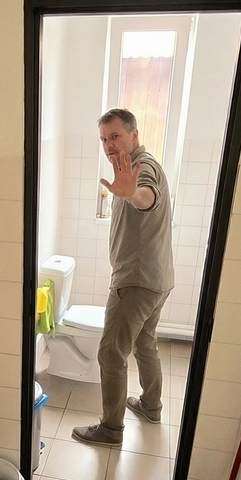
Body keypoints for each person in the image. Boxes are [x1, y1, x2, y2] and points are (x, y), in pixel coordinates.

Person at [72, 108, 174, 447]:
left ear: (134, 135)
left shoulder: (142, 168)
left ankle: (111, 429)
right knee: (145, 343)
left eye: (115, 136)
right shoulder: (133, 168)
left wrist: (132, 194)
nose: (109, 145)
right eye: (104, 139)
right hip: (156, 278)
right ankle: (150, 405)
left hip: (136, 282)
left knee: (111, 354)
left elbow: (147, 197)